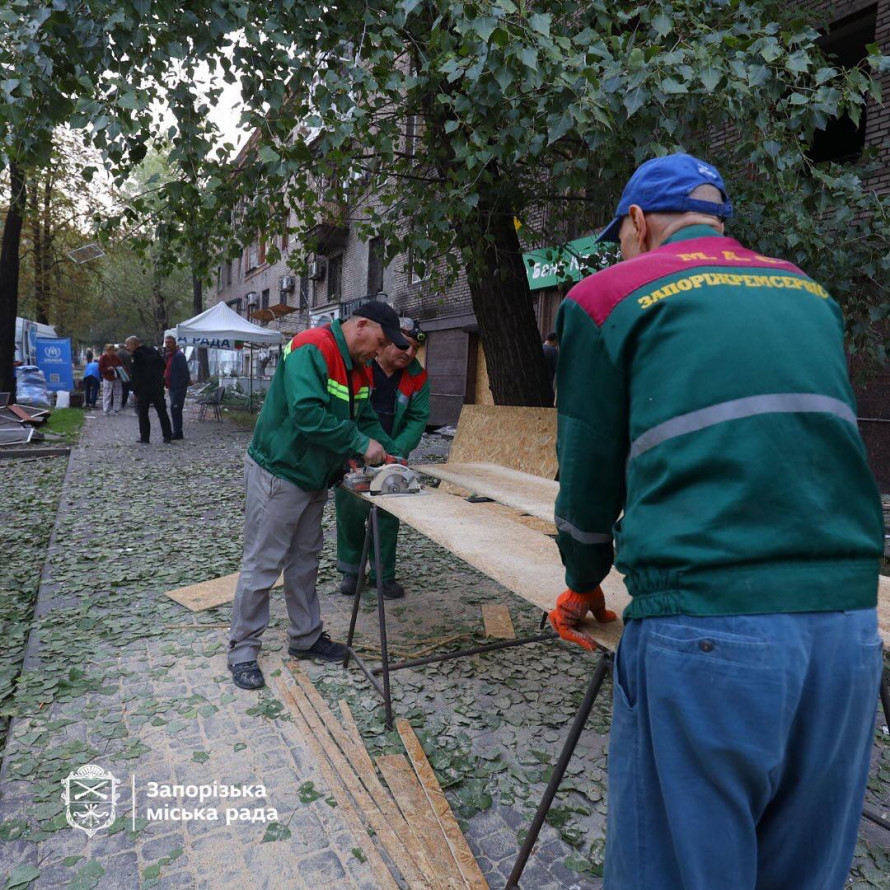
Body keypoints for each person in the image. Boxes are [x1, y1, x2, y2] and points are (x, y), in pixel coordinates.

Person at [548, 153, 884, 889]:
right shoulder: (807, 291)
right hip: (849, 634)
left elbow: (588, 475)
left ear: (637, 223)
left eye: (621, 234)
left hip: (706, 630)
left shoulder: (607, 295)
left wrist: (581, 580)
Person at [227, 303, 409, 691]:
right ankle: (243, 649)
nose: (380, 352)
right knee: (263, 563)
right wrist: (361, 444)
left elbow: (365, 420)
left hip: (313, 477)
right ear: (362, 325)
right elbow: (307, 414)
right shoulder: (311, 347)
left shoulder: (359, 368)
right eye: (379, 342)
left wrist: (392, 454)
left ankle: (306, 637)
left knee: (305, 560)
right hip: (280, 469)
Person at [335, 317, 430, 599]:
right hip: (357, 452)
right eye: (405, 346)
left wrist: (396, 452)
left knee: (389, 515)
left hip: (393, 457)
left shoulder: (418, 376)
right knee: (351, 512)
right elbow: (352, 410)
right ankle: (352, 572)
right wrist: (365, 445)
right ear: (387, 341)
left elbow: (417, 418)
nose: (409, 354)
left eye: (414, 349)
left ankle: (383, 576)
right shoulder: (363, 364)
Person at [125, 335, 173, 445]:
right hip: (157, 386)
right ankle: (167, 436)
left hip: (143, 388)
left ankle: (145, 437)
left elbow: (136, 375)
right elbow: (163, 365)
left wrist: (135, 391)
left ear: (134, 344)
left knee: (143, 413)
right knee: (162, 412)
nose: (127, 348)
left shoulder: (136, 355)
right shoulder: (152, 351)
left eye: (128, 345)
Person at [163, 335, 191, 440]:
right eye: (166, 342)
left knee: (175, 409)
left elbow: (184, 372)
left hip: (178, 388)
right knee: (174, 410)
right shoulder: (170, 355)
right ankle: (177, 431)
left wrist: (181, 385)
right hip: (172, 387)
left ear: (175, 343)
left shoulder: (179, 356)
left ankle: (178, 432)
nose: (168, 344)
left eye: (170, 342)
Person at [97, 343, 123, 415]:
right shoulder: (103, 358)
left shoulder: (115, 357)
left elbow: (121, 364)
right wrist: (107, 369)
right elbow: (100, 369)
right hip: (107, 378)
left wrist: (118, 368)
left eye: (114, 350)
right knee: (107, 394)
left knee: (118, 393)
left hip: (116, 377)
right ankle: (106, 410)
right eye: (112, 350)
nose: (113, 352)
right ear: (108, 350)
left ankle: (116, 409)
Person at [542, 331, 558, 402]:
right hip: (548, 384)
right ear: (554, 340)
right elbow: (557, 368)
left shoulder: (540, 348)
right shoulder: (553, 351)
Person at [116, 343, 133, 408]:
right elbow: (129, 365)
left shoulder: (116, 354)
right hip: (126, 373)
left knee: (116, 388)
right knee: (125, 389)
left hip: (117, 373)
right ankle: (123, 402)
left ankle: (115, 402)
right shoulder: (129, 354)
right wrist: (130, 373)